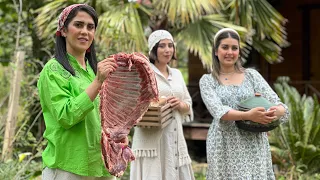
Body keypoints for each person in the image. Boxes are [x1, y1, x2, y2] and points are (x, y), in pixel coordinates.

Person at [37, 4, 119, 180]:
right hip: (68, 167)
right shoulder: (53, 70)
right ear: (64, 30)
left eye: (90, 27)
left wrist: (117, 137)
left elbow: (103, 117)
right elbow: (67, 116)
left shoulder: (93, 70)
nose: (85, 31)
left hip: (100, 166)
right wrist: (98, 82)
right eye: (78, 25)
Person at [199, 28, 290, 179]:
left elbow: (279, 105)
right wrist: (248, 115)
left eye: (234, 48)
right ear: (216, 51)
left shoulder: (252, 76)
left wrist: (272, 113)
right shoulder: (208, 81)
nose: (230, 52)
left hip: (254, 142)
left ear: (239, 52)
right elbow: (218, 111)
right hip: (224, 143)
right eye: (225, 47)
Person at [130, 30, 195, 180]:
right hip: (152, 139)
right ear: (153, 49)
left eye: (170, 46)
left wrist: (180, 104)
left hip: (175, 137)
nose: (167, 50)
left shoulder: (177, 74)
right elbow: (134, 103)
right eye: (162, 46)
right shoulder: (144, 72)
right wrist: (156, 102)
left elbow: (188, 103)